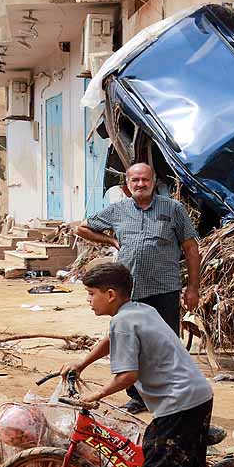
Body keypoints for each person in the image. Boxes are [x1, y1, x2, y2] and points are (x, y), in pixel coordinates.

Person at [62, 263, 233, 467]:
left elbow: (128, 375)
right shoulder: (138, 311)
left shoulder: (124, 324)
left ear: (110, 295)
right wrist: (81, 363)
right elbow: (111, 340)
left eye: (91, 294)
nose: (88, 300)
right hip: (195, 394)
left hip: (178, 401)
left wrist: (95, 395)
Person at [74, 163, 202, 414]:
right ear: (128, 183)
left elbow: (191, 249)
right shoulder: (118, 210)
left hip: (164, 288)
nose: (140, 184)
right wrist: (111, 239)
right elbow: (82, 228)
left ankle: (169, 395)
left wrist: (193, 288)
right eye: (135, 180)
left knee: (163, 344)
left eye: (145, 179)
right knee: (128, 344)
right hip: (128, 292)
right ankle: (137, 396)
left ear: (154, 182)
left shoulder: (173, 209)